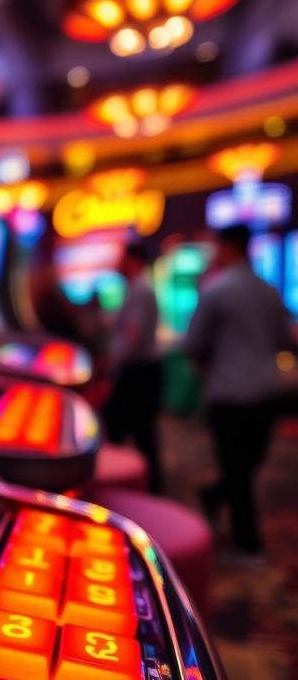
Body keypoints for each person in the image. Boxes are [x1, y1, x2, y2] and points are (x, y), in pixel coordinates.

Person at [183, 223, 295, 554]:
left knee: (237, 468)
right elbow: (285, 342)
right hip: (264, 393)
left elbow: (192, 345)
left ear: (227, 247)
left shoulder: (215, 291)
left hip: (228, 394)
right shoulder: (270, 291)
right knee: (246, 465)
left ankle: (240, 533)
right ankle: (247, 539)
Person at [103, 240, 163, 492]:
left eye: (122, 257)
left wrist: (110, 363)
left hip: (139, 371)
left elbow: (132, 336)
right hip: (141, 369)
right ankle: (147, 484)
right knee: (138, 429)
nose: (118, 263)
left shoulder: (140, 290)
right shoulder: (136, 288)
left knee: (127, 426)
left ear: (134, 260)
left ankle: (139, 485)